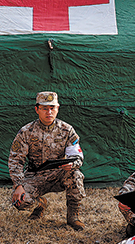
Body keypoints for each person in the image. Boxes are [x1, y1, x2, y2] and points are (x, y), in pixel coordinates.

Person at [9, 91, 86, 230]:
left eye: (52, 108)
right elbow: (16, 160)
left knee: (76, 175)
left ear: (58, 108)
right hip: (35, 175)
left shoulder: (67, 130)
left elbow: (77, 155)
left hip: (59, 173)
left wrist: (72, 164)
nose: (49, 112)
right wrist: (18, 185)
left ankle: (73, 217)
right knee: (19, 202)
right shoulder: (26, 132)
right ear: (37, 109)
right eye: (44, 108)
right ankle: (41, 203)